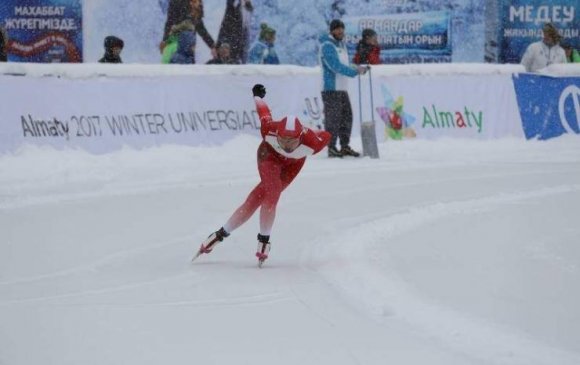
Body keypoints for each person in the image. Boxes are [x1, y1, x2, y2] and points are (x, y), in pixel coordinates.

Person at [193, 84, 331, 266]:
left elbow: (325, 134)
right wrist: (257, 96)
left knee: (258, 198)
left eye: (291, 141)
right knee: (272, 193)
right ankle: (264, 240)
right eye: (283, 140)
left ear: (300, 137)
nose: (287, 145)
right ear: (277, 134)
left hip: (294, 164)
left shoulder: (313, 143)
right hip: (269, 156)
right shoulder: (269, 129)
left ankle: (219, 234)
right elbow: (263, 112)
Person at [319, 19, 368, 158]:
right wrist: (354, 72)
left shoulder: (341, 45)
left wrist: (358, 67)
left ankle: (344, 146)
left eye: (342, 28)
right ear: (332, 31)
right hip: (331, 88)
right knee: (333, 119)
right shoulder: (327, 46)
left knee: (347, 117)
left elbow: (345, 64)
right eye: (337, 29)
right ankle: (332, 147)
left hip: (342, 88)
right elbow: (335, 66)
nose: (341, 31)